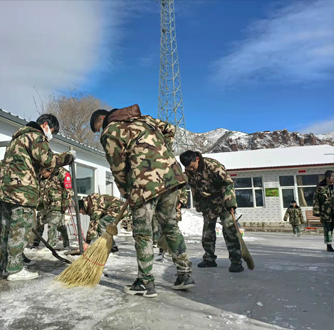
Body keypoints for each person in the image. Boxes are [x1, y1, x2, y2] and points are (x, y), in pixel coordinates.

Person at [90, 104, 195, 298]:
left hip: (143, 184)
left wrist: (126, 191)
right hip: (171, 177)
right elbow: (170, 129)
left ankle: (145, 282)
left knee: (143, 233)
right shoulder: (144, 119)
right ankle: (185, 274)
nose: (100, 133)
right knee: (171, 227)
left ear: (101, 120)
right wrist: (161, 154)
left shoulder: (110, 131)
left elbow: (118, 167)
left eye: (97, 129)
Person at [0, 114, 75, 281]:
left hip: (6, 190)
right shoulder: (35, 136)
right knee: (20, 228)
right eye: (52, 131)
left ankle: (6, 265)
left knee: (7, 229)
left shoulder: (16, 139)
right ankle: (15, 269)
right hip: (22, 190)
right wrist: (68, 157)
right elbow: (48, 160)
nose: (50, 135)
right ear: (45, 125)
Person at [180, 150, 243, 273]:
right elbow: (194, 187)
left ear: (196, 159)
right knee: (207, 232)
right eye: (188, 168)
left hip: (223, 201)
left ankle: (236, 261)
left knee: (229, 230)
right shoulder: (189, 170)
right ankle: (209, 259)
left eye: (192, 166)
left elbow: (228, 183)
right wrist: (198, 203)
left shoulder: (213, 166)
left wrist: (230, 202)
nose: (191, 170)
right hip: (208, 203)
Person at [34, 166, 73, 251]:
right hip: (44, 204)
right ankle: (36, 242)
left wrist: (65, 203)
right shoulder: (41, 176)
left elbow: (68, 189)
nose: (42, 175)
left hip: (57, 204)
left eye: (44, 173)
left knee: (54, 224)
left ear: (50, 170)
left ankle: (51, 245)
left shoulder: (62, 173)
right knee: (39, 222)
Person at [313, 170, 334, 252]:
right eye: (333, 176)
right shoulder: (320, 187)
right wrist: (317, 212)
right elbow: (316, 200)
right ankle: (329, 245)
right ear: (328, 177)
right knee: (328, 229)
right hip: (326, 213)